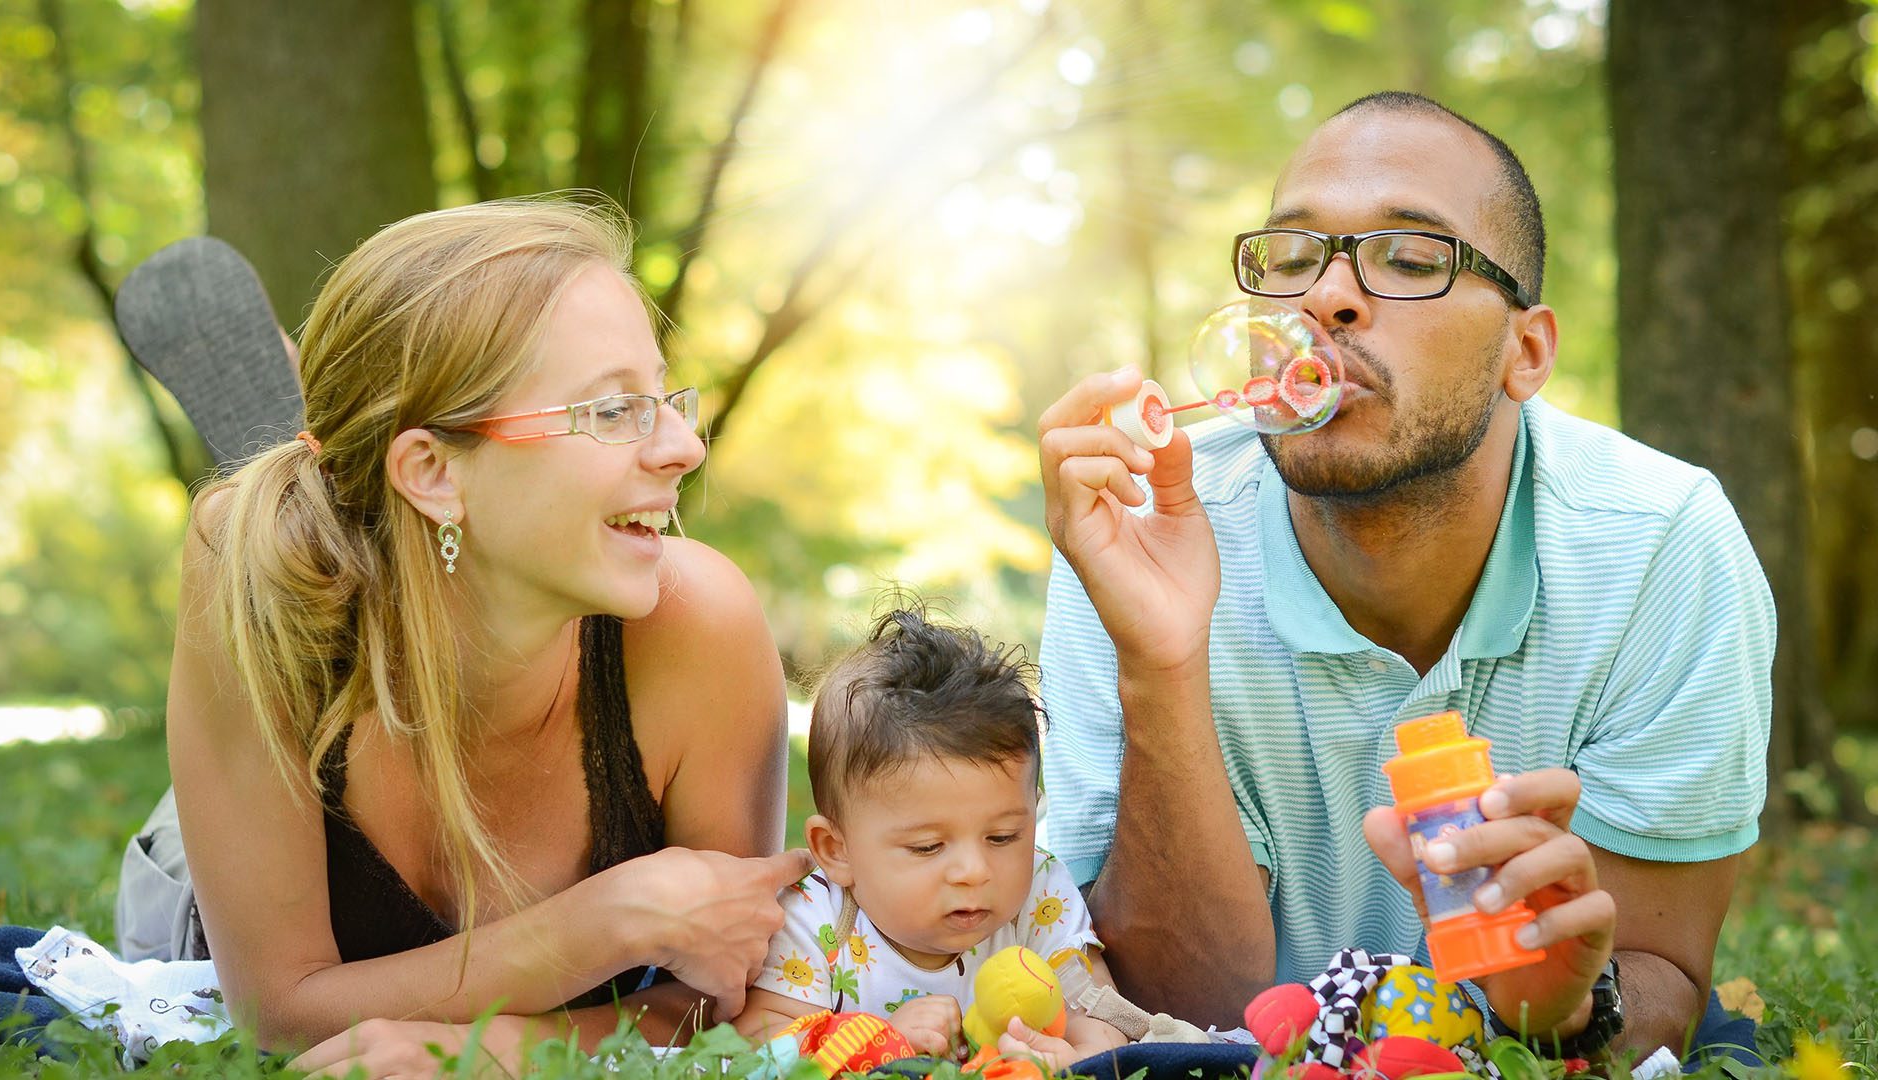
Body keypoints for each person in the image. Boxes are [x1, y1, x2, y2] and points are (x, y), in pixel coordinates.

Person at [1035, 91, 1772, 1064]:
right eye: (1293, 256)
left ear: (1528, 350)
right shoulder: (1136, 530)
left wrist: (1559, 1005)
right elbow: (1183, 1015)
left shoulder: (1660, 549)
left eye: (1412, 259)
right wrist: (1160, 659)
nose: (1323, 298)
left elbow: (1661, 975)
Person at [154, 196, 813, 1076]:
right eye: (613, 410)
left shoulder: (697, 625)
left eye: (666, 398)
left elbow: (721, 999)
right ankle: (305, 489)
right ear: (432, 470)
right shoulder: (241, 583)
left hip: (397, 541)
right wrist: (602, 923)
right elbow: (277, 1012)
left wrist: (495, 1047)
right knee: (254, 551)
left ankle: (332, 472)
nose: (687, 447)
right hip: (213, 875)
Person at [734, 605, 1129, 1072]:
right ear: (836, 850)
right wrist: (880, 1040)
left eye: (1003, 836)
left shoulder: (1039, 900)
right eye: (928, 847)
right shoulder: (815, 921)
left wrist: (1069, 1060)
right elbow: (756, 1050)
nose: (974, 871)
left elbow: (1105, 1024)